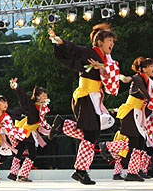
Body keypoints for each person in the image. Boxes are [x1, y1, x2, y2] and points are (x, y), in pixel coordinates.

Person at [47, 24, 119, 185]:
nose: (112, 44)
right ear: (99, 41)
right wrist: (59, 40)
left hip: (92, 98)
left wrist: (102, 68)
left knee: (91, 134)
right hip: (85, 97)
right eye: (109, 40)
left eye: (113, 41)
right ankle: (80, 171)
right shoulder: (90, 52)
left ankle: (63, 125)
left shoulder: (106, 60)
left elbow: (111, 84)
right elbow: (73, 49)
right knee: (91, 134)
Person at [7, 78, 51, 182]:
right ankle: (22, 175)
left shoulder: (41, 107)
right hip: (26, 131)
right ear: (38, 96)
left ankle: (13, 173)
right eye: (43, 95)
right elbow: (22, 96)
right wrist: (16, 86)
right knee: (32, 154)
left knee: (21, 149)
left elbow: (41, 120)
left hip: (28, 131)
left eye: (46, 95)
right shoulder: (31, 105)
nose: (45, 97)